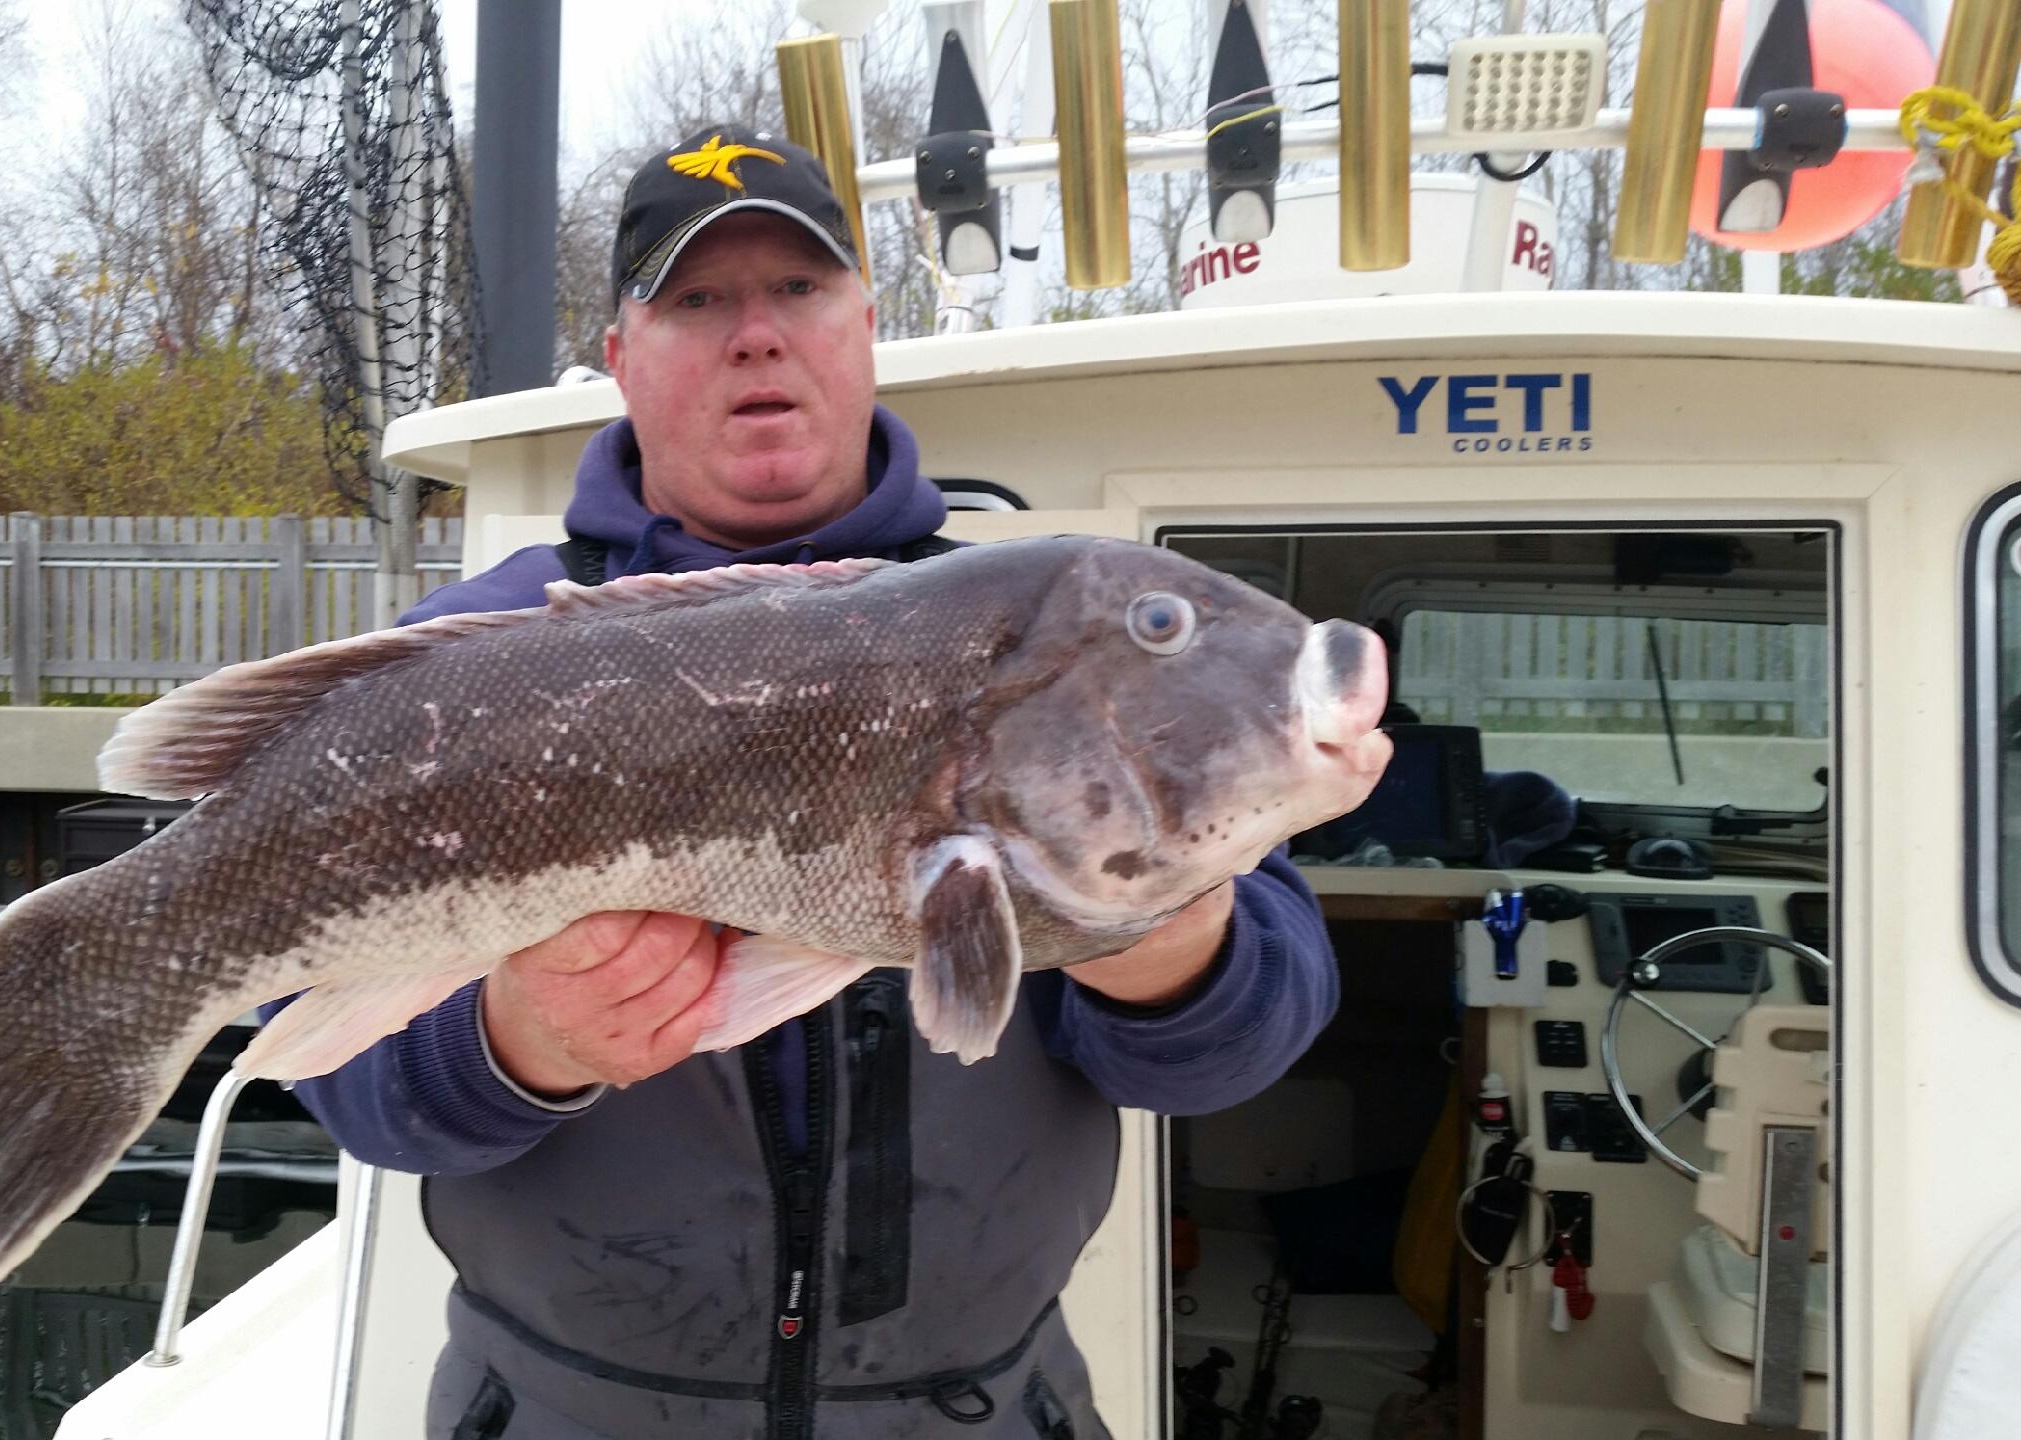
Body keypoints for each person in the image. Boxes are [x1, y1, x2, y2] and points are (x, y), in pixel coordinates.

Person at [266, 124, 1346, 1440]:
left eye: (800, 288)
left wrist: (1176, 943)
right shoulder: (491, 656)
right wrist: (522, 1045)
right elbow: (352, 1087)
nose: (757, 334)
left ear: (866, 323)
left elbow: (1247, 1040)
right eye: (699, 299)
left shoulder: (1054, 641)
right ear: (621, 354)